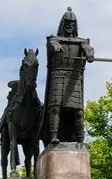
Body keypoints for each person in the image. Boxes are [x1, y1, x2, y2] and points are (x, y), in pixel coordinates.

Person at [40, 7, 94, 144]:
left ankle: (80, 139)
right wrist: (54, 46)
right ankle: (53, 136)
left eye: (72, 24)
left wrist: (89, 53)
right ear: (63, 24)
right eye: (68, 23)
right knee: (55, 108)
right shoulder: (55, 40)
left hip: (74, 79)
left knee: (79, 112)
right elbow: (51, 44)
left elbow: (87, 47)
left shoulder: (81, 42)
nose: (70, 26)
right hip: (58, 77)